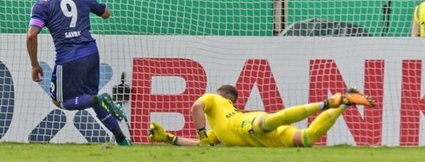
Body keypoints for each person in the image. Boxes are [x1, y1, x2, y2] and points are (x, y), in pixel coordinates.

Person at [26, 0, 132, 146]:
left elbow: (31, 35)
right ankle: (122, 139)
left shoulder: (42, 3)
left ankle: (98, 99)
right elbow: (106, 13)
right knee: (92, 97)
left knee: (59, 101)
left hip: (68, 57)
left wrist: (35, 65)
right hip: (91, 52)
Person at [148, 84, 374, 147]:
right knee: (307, 138)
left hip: (245, 124)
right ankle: (346, 101)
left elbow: (196, 107)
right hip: (264, 142)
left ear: (225, 96)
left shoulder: (215, 99)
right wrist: (168, 137)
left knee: (270, 121)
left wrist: (201, 132)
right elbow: (199, 144)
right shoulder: (217, 131)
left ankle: (328, 102)